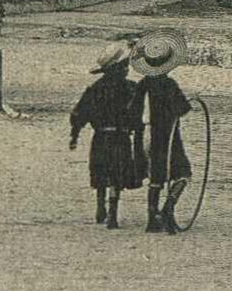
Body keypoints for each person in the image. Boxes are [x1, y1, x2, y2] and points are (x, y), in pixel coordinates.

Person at [68, 42, 145, 229]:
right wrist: (138, 131)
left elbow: (79, 113)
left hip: (101, 137)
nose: (127, 69)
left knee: (101, 172)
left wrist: (75, 135)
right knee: (117, 174)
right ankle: (112, 212)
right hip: (121, 137)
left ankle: (100, 206)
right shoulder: (130, 89)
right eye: (124, 66)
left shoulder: (95, 89)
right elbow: (138, 115)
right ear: (117, 69)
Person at [132, 33, 196, 234]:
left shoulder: (142, 85)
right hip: (166, 135)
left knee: (156, 176)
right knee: (182, 173)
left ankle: (152, 218)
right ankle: (168, 207)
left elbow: (132, 111)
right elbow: (183, 109)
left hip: (144, 135)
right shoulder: (169, 85)